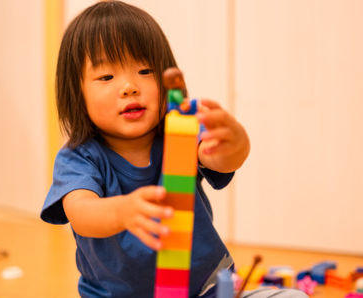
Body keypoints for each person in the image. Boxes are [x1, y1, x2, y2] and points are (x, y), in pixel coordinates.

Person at [40, 1, 307, 298]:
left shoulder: (180, 131)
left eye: (145, 70)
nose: (129, 86)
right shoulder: (78, 157)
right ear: (75, 92)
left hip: (204, 289)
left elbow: (218, 158)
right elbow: (81, 213)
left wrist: (235, 140)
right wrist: (123, 211)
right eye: (106, 77)